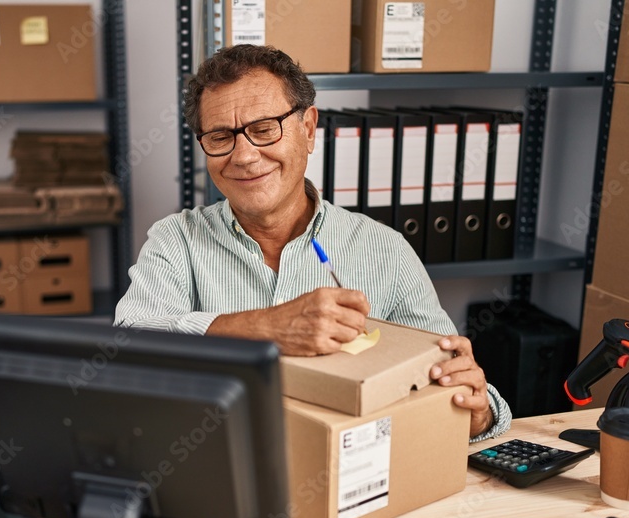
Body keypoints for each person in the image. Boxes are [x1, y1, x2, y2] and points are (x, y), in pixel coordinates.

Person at [115, 44, 510, 441]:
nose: (245, 156)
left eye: (264, 128)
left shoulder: (383, 249)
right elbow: (127, 348)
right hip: (213, 466)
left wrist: (476, 416)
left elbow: (456, 383)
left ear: (307, 129)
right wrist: (265, 329)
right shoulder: (175, 240)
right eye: (220, 137)